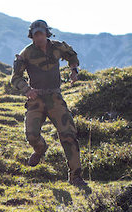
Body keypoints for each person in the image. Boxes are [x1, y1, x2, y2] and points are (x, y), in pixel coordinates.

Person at [10, 19, 87, 187]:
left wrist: (74, 70)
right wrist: (27, 90)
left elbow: (72, 55)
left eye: (41, 34)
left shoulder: (58, 47)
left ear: (47, 33)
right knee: (31, 135)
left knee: (69, 135)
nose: (39, 38)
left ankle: (76, 177)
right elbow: (15, 78)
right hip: (35, 99)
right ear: (31, 36)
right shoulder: (26, 54)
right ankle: (40, 149)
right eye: (35, 35)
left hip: (55, 98)